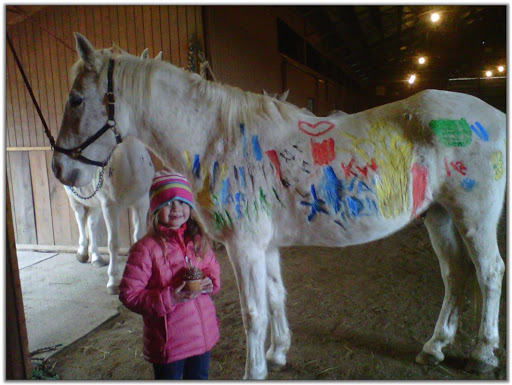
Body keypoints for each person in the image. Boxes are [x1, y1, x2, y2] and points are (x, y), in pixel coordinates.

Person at [119, 172, 220, 380]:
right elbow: (129, 295)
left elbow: (212, 267)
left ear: (190, 208)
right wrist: (169, 298)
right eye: (168, 202)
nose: (176, 209)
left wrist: (211, 281)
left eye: (182, 202)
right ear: (156, 209)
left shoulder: (197, 240)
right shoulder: (145, 249)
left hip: (202, 337)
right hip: (170, 345)